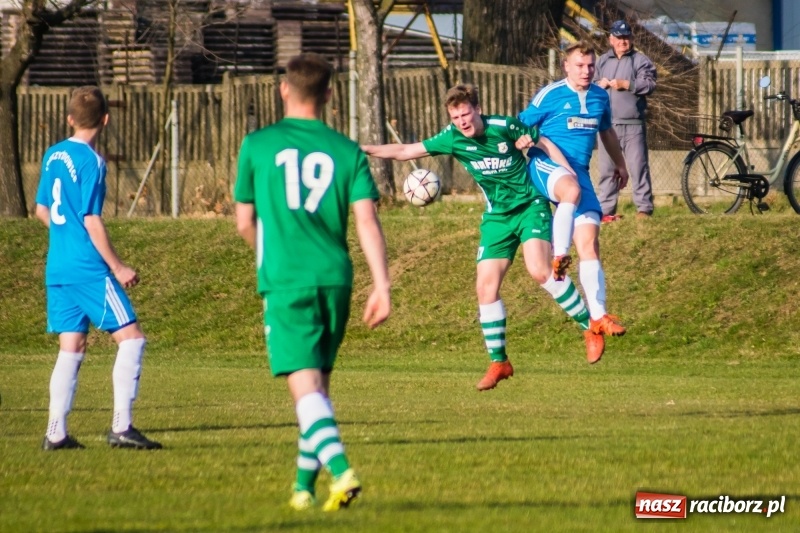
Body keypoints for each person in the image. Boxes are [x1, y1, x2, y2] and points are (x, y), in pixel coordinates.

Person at [362, 83, 606, 394]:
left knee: (540, 271)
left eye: (466, 114)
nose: (462, 121)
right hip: (497, 219)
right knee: (485, 287)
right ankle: (499, 362)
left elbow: (539, 141)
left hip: (530, 207)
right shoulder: (451, 138)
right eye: (456, 117)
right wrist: (366, 149)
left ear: (477, 109)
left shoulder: (503, 126)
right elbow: (406, 151)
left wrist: (562, 170)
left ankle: (590, 326)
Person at [234, 53, 391, 512]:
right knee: (317, 388)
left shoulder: (257, 145)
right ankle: (303, 490)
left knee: (304, 389)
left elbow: (245, 221)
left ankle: (341, 472)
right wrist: (382, 284)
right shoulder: (346, 150)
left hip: (287, 280)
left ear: (284, 89)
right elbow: (367, 221)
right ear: (328, 94)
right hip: (335, 279)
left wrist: (273, 251)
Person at [35, 86, 161, 451]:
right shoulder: (93, 161)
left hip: (57, 267)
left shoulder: (52, 154)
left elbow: (43, 211)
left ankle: (55, 432)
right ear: (105, 119)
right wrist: (118, 266)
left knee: (71, 347)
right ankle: (122, 426)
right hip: (87, 268)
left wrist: (66, 236)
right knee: (132, 338)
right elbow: (91, 220)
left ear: (70, 119)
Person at [517, 40, 628, 344]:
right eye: (579, 65)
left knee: (590, 245)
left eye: (591, 65)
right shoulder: (550, 94)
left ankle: (599, 316)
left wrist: (620, 164)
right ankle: (559, 255)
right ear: (566, 66)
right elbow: (521, 125)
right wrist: (523, 139)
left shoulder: (599, 97)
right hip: (546, 165)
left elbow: (606, 131)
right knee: (569, 190)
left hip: (580, 174)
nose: (586, 71)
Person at [595, 20, 657, 220]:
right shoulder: (602, 61)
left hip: (633, 125)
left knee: (638, 167)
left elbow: (650, 85)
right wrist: (599, 85)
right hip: (607, 127)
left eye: (626, 37)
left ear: (632, 38)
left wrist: (628, 84)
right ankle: (606, 210)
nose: (623, 41)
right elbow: (589, 84)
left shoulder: (640, 60)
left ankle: (643, 209)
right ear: (611, 39)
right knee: (607, 169)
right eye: (619, 38)